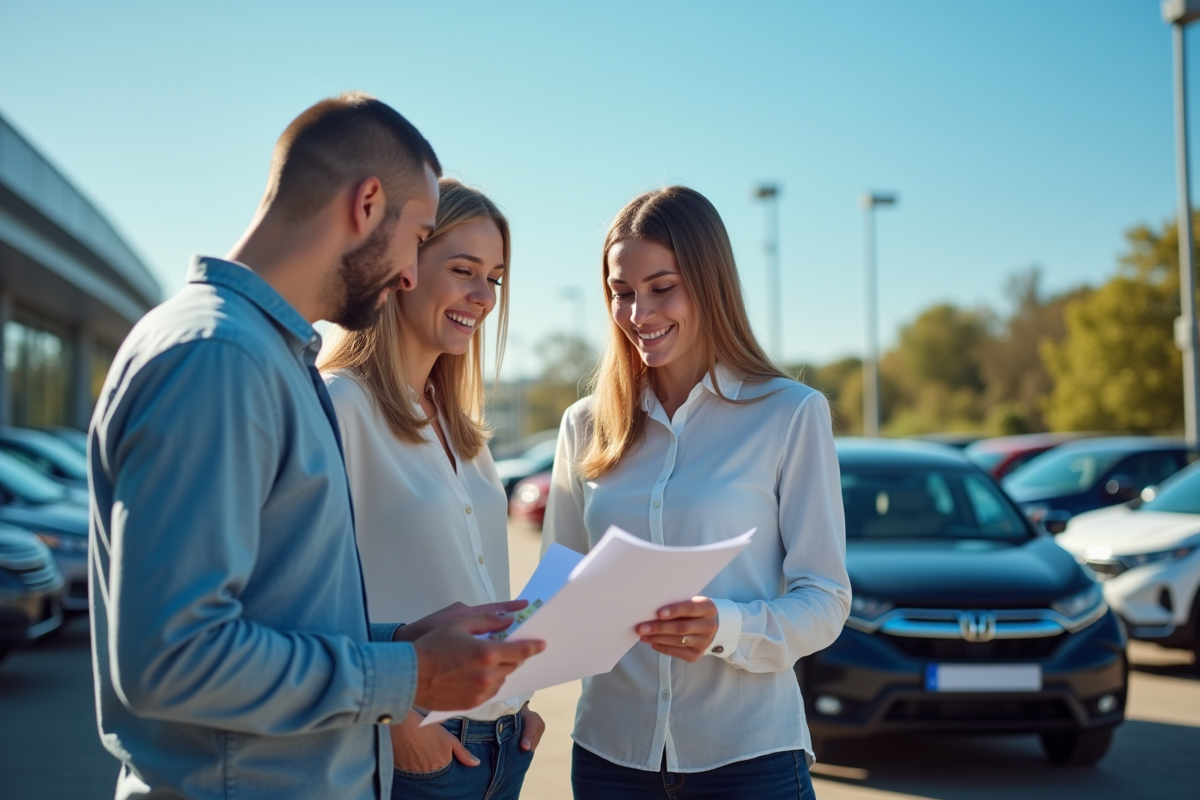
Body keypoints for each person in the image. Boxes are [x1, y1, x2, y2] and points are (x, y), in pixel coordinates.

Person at [88, 93, 543, 800]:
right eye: (417, 236)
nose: (405, 272)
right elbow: (169, 659)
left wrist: (400, 644)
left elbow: (274, 612)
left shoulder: (269, 360)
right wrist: (410, 678)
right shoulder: (219, 358)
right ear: (367, 205)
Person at [543, 186, 851, 799]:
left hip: (750, 759)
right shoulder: (585, 424)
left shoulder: (789, 413)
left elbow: (826, 599)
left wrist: (725, 627)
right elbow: (558, 586)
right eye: (621, 293)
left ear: (710, 283)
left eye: (662, 287)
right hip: (610, 758)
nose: (638, 314)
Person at [319, 178, 542, 800]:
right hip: (417, 750)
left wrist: (516, 703)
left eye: (495, 278)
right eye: (464, 270)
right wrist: (401, 725)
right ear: (402, 268)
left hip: (501, 743)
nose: (484, 296)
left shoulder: (458, 424)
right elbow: (305, 603)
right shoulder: (339, 405)